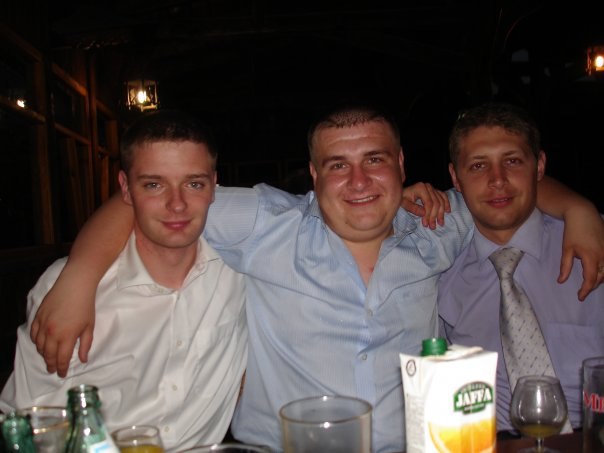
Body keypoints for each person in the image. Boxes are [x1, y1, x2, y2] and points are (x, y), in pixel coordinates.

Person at [28, 105, 604, 453]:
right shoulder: (265, 223)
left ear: (402, 165)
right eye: (337, 165)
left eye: (374, 160)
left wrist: (580, 209)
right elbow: (155, 195)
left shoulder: (438, 225)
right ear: (313, 174)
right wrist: (79, 275)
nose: (359, 181)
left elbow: (504, 191)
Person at [0, 110, 248, 452]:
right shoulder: (68, 288)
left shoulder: (241, 270)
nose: (176, 204)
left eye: (194, 184)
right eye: (153, 185)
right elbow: (25, 418)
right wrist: (81, 275)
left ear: (214, 186)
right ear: (125, 189)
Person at [437, 103, 604, 436]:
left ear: (539, 166)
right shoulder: (438, 271)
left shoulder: (594, 244)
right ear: (456, 178)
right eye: (478, 165)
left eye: (512, 161)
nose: (497, 180)